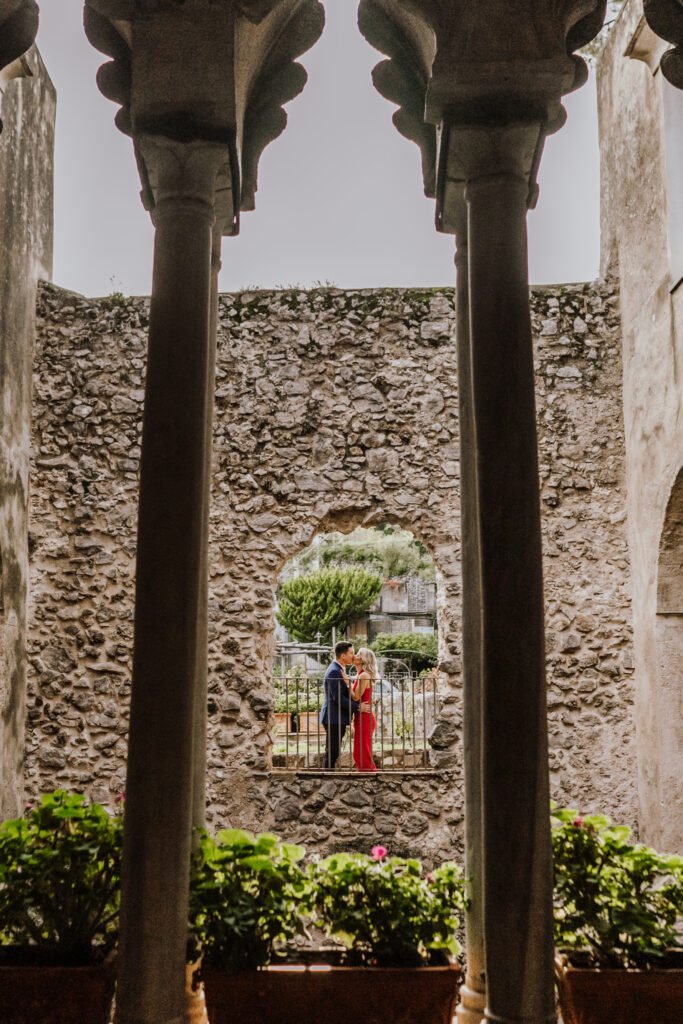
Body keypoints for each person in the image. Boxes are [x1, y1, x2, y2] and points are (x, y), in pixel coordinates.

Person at [320, 640, 358, 770]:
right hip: (333, 717)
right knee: (332, 751)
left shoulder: (338, 670)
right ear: (343, 655)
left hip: (336, 717)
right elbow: (338, 698)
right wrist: (357, 707)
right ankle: (327, 776)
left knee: (333, 750)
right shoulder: (334, 672)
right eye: (351, 653)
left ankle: (329, 774)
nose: (353, 656)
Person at [351, 647, 378, 772]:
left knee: (362, 750)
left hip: (365, 717)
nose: (354, 656)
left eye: (357, 654)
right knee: (360, 749)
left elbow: (356, 696)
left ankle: (368, 774)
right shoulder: (360, 674)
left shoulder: (364, 675)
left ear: (363, 660)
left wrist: (346, 683)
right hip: (361, 716)